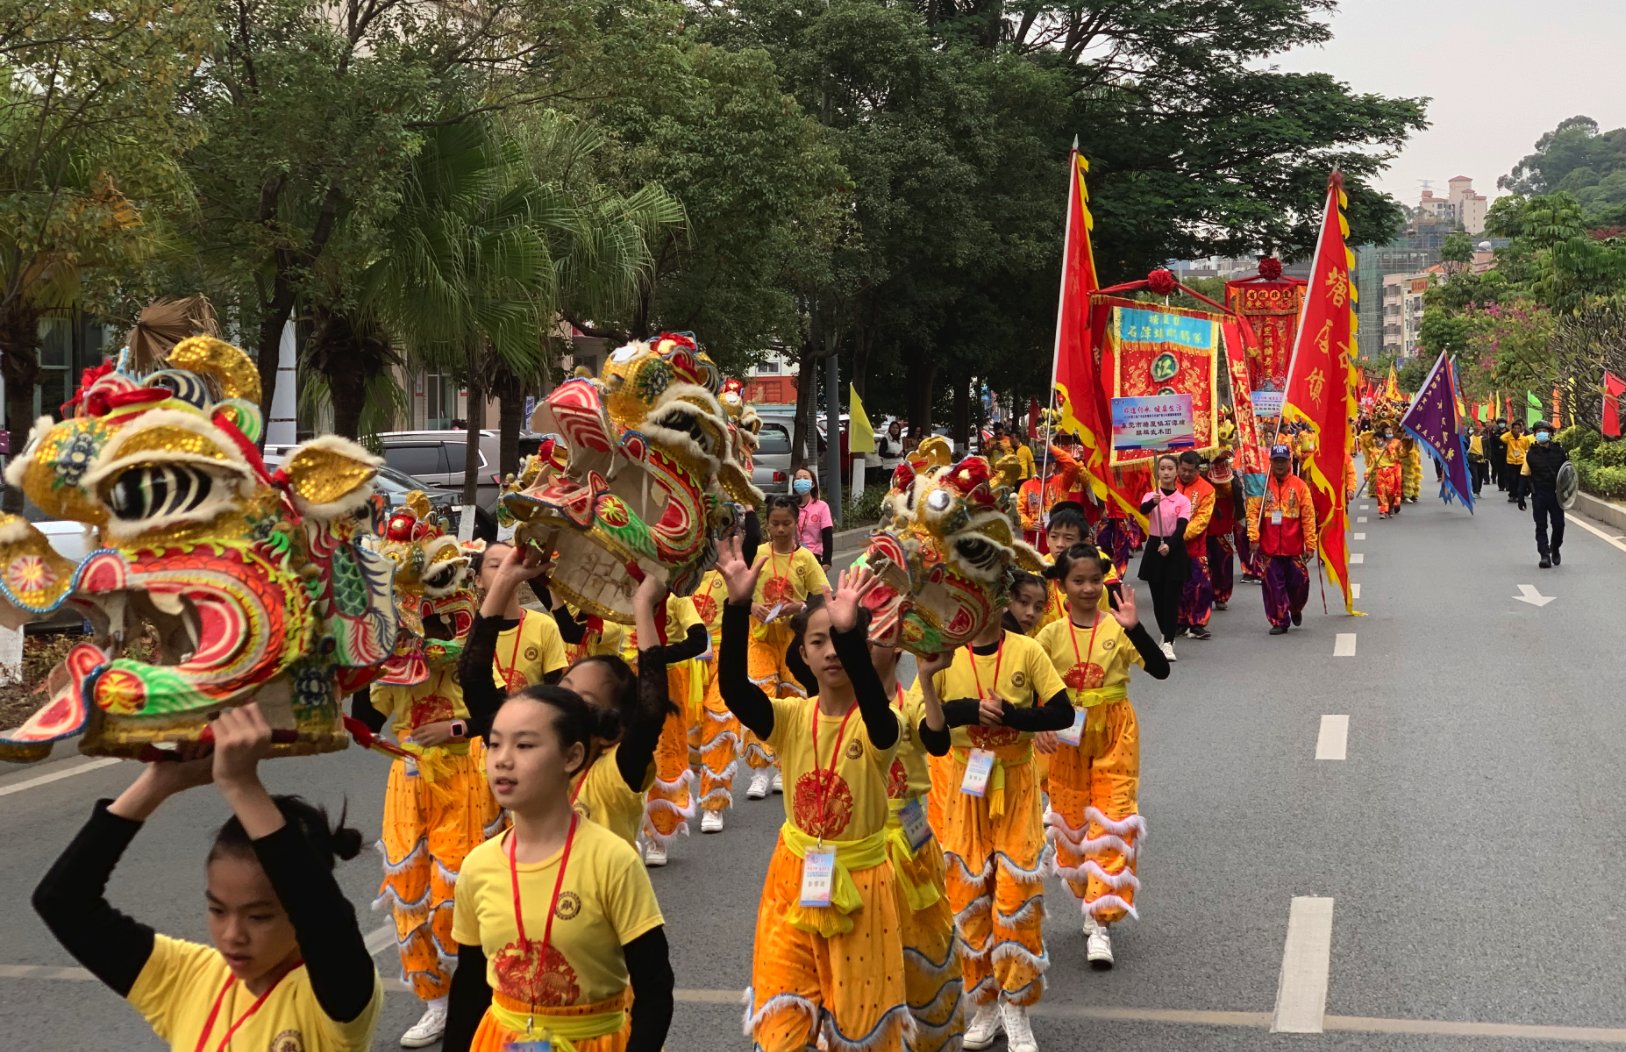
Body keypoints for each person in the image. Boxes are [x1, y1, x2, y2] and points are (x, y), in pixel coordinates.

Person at [33, 704, 382, 1051]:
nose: (232, 936)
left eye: (259, 916)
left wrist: (242, 785)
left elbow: (326, 923)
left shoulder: (333, 1004)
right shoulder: (189, 979)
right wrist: (160, 782)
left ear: (297, 906)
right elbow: (63, 902)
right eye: (217, 910)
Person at [716, 539, 913, 1052]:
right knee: (783, 1017)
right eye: (818, 643)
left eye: (839, 643)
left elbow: (874, 706)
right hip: (793, 875)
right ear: (800, 654)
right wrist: (736, 608)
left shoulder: (879, 725)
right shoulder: (789, 718)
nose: (829, 653)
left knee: (859, 1029)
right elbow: (736, 690)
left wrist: (850, 632)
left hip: (863, 884)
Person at [443, 685, 675, 1052]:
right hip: (499, 1039)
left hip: (595, 1040)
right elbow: (470, 984)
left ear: (572, 757)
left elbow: (655, 988)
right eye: (494, 743)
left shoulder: (612, 861)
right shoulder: (478, 865)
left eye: (524, 745)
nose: (502, 759)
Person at [912, 596, 1072, 1052]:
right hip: (965, 788)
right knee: (968, 900)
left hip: (1016, 785)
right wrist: (960, 706)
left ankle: (1017, 1008)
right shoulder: (944, 654)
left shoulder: (1026, 650)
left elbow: (1062, 711)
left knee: (1017, 897)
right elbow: (932, 737)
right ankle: (984, 1004)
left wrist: (1014, 717)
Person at [460, 547, 672, 852]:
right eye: (565, 686)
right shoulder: (536, 756)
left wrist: (642, 607)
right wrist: (505, 581)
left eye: (584, 698)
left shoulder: (615, 774)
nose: (565, 699)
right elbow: (474, 679)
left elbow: (651, 712)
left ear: (613, 723)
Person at [1034, 545, 1170, 970]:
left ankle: (1100, 923)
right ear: (1062, 586)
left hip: (1115, 732)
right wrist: (1039, 723)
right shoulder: (1049, 636)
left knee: (1111, 823)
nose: (1089, 588)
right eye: (1079, 581)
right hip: (1066, 736)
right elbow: (1029, 687)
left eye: (1095, 580)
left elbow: (1160, 670)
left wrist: (1136, 628)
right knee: (1072, 830)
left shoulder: (1117, 627)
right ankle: (1088, 896)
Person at [871, 636, 964, 1051]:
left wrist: (927, 677)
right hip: (859, 846)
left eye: (871, 640)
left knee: (921, 951)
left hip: (910, 841)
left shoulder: (911, 702)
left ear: (895, 648)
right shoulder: (837, 706)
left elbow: (937, 739)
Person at [742, 495, 831, 800]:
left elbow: (824, 598)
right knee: (760, 697)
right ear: (767, 524)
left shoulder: (806, 559)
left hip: (794, 642)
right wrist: (751, 605)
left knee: (792, 701)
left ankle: (783, 766)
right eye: (775, 523)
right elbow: (738, 592)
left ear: (797, 523)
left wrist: (801, 607)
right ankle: (759, 771)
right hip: (760, 638)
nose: (780, 529)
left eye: (787, 523)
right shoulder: (756, 554)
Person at [476, 541, 568, 691]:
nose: (505, 572)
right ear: (478, 580)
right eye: (495, 566)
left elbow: (557, 692)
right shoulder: (470, 636)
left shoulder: (544, 626)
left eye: (511, 564)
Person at [1246, 446, 1318, 635]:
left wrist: (1310, 543)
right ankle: (1279, 620)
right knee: (1273, 586)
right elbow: (1252, 513)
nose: (1279, 464)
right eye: (1276, 460)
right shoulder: (1261, 485)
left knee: (1300, 583)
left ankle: (1295, 608)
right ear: (1270, 461)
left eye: (1283, 460)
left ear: (1289, 461)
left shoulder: (1300, 486)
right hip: (1269, 548)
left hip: (1294, 548)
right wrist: (1253, 537)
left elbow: (1308, 517)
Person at [1137, 455, 1190, 661]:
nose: (1166, 472)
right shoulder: (1151, 496)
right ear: (1157, 472)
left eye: (1170, 468)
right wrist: (1152, 503)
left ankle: (1168, 641)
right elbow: (1142, 510)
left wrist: (1169, 545)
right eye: (1163, 468)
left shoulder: (1183, 500)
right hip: (1154, 547)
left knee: (1171, 597)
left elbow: (1182, 526)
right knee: (1158, 598)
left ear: (1176, 472)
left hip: (1174, 547)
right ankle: (1164, 634)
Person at [1173, 451, 1215, 640]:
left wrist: (1179, 536)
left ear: (1198, 469)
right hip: (1171, 548)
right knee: (1176, 585)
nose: (1186, 474)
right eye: (1183, 470)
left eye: (1191, 471)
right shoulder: (1167, 484)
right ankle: (1179, 621)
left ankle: (1197, 623)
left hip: (1195, 548)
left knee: (1199, 586)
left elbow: (1202, 519)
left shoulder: (1207, 489)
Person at [1523, 419, 1569, 568]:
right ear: (1535, 434)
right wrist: (1520, 496)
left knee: (1559, 524)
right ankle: (1544, 555)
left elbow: (1567, 473)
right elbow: (1525, 475)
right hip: (1539, 494)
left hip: (1556, 494)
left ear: (1550, 433)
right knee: (1541, 525)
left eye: (1545, 431)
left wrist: (1567, 492)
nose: (1542, 434)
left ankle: (1555, 548)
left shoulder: (1559, 451)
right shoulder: (1530, 453)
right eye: (1538, 432)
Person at [793, 467, 835, 570]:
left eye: (805, 478)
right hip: (793, 556)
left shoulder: (822, 506)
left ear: (813, 484)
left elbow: (827, 535)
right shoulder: (789, 507)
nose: (801, 480)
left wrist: (827, 561)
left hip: (814, 556)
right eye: (798, 478)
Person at [1370, 423, 1404, 519]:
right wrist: (1367, 472)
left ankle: (1392, 505)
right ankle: (1383, 511)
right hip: (1380, 472)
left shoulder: (1395, 443)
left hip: (1393, 470)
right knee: (1381, 492)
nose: (1389, 432)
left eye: (1390, 430)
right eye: (1387, 431)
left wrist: (1390, 451)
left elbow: (1397, 456)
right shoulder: (1375, 449)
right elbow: (1372, 463)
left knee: (1391, 491)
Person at [1503, 419, 1533, 510]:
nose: (1516, 430)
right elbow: (1502, 438)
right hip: (1511, 461)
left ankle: (1519, 495)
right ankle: (1512, 495)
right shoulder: (1509, 438)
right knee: (1512, 479)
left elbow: (1527, 449)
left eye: (1518, 428)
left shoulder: (1524, 439)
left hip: (1521, 461)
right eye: (1514, 428)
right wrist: (1510, 433)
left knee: (1520, 480)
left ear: (1520, 429)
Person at [1487, 418, 1508, 491]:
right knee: (1500, 471)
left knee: (1507, 470)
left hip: (1508, 454)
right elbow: (1492, 445)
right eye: (1500, 423)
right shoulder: (1495, 433)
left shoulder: (1509, 432)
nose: (1501, 424)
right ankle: (1501, 486)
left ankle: (1508, 485)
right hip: (1498, 455)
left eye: (1503, 422)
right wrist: (1492, 455)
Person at [1468, 422, 1489, 497]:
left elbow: (1489, 449)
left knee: (1480, 476)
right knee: (1474, 475)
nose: (1477, 432)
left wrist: (1487, 458)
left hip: (1482, 460)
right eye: (1475, 430)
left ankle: (1478, 490)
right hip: (1472, 459)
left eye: (1478, 430)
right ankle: (1475, 491)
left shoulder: (1485, 438)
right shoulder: (1469, 438)